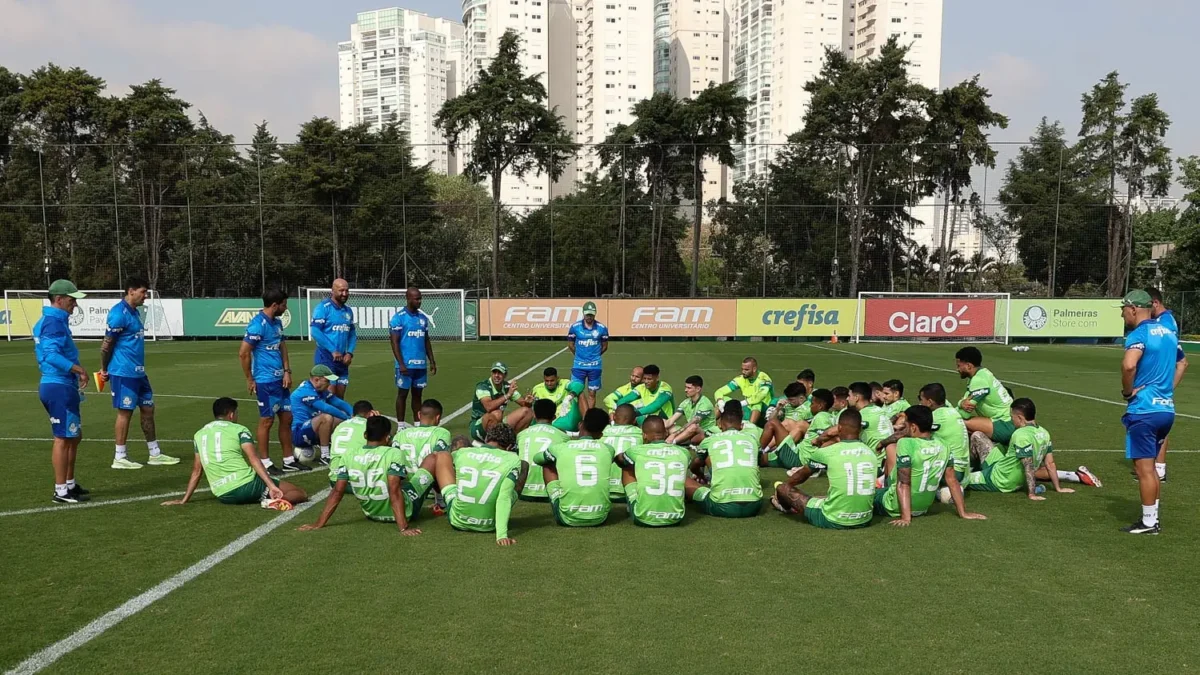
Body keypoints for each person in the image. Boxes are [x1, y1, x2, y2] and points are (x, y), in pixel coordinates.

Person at [162, 397, 307, 508]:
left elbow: (197, 470)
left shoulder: (199, 434)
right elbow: (254, 459)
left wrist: (184, 499)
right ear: (231, 415)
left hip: (223, 494)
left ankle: (268, 498)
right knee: (299, 493)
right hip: (246, 486)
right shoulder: (239, 429)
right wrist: (271, 485)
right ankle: (271, 501)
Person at [299, 415, 433, 534]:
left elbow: (337, 492)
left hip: (372, 513)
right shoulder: (394, 454)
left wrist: (319, 523)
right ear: (387, 437)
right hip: (405, 512)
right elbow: (395, 491)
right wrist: (403, 527)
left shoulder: (349, 455)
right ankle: (441, 504)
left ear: (365, 435)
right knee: (433, 461)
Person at [99, 277, 177, 470]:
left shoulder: (133, 312)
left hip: (139, 372)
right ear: (131, 291)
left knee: (148, 409)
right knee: (125, 412)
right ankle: (120, 456)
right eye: (143, 292)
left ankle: (154, 453)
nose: (146, 297)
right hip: (123, 372)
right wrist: (104, 369)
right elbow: (106, 345)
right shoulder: (118, 314)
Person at [1120, 290, 1179, 534]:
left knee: (1143, 470)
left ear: (1133, 309)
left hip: (1144, 409)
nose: (1122, 315)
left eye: (1123, 310)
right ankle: (1151, 518)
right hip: (1166, 409)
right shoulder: (1168, 332)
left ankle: (1148, 523)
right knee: (1153, 468)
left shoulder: (1140, 333)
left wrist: (1127, 391)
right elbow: (1182, 362)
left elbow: (1129, 364)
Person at [872, 405, 984, 526]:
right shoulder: (944, 445)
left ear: (913, 427)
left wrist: (906, 517)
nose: (905, 428)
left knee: (867, 494)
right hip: (923, 508)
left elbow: (904, 483)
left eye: (906, 425)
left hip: (895, 506)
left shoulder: (906, 443)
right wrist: (963, 513)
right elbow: (952, 480)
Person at [964, 398, 1096, 497]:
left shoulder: (1020, 435)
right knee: (977, 436)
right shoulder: (1044, 433)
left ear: (1020, 418)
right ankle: (975, 469)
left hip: (999, 480)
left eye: (1012, 417)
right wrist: (1058, 488)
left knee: (960, 479)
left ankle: (960, 480)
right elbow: (1050, 463)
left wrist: (1031, 494)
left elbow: (1028, 465)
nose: (1011, 421)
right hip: (999, 465)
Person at [771, 408, 879, 529]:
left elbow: (801, 476)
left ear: (839, 428)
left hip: (832, 519)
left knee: (782, 488)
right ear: (859, 429)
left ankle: (785, 506)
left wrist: (785, 487)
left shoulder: (827, 452)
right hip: (864, 519)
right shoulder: (871, 453)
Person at [35, 280, 90, 504]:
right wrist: (79, 370)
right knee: (63, 438)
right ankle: (61, 490)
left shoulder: (53, 321)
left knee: (74, 436)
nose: (74, 304)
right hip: (57, 385)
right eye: (71, 299)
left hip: (61, 385)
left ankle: (68, 484)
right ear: (59, 299)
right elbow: (51, 355)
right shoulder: (53, 323)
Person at [435, 422, 527, 546]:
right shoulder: (513, 459)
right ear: (510, 447)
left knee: (441, 455)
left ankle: (439, 501)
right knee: (524, 465)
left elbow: (445, 461)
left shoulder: (463, 453)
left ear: (487, 438)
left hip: (458, 520)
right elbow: (504, 497)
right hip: (489, 524)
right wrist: (501, 535)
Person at [239, 288, 294, 477]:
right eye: (284, 305)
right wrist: (249, 379)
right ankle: (265, 462)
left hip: (281, 380)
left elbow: (282, 346)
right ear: (274, 305)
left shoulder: (277, 323)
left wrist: (287, 371)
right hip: (265, 381)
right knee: (267, 420)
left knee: (287, 418)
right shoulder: (257, 325)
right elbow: (243, 353)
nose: (285, 308)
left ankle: (289, 460)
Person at [534, 409, 615, 527]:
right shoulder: (608, 449)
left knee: (548, 463)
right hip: (600, 516)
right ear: (600, 434)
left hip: (567, 517)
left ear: (580, 425)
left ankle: (558, 498)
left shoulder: (561, 448)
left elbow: (537, 459)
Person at [614, 417, 690, 527]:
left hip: (643, 517)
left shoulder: (636, 450)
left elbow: (620, 460)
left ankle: (632, 502)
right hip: (676, 517)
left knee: (627, 467)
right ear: (666, 433)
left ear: (644, 435)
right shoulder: (683, 452)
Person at [688, 407, 763, 517]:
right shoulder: (752, 440)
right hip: (754, 505)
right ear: (741, 426)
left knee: (684, 480)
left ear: (719, 424)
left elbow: (694, 465)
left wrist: (700, 475)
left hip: (721, 506)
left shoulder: (710, 440)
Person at [1145, 287, 1186, 482]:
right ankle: (1155, 467)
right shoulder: (1162, 322)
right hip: (1158, 383)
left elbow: (1181, 361)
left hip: (1158, 384)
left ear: (1155, 303)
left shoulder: (1166, 324)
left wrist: (1167, 388)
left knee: (1158, 424)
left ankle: (1159, 469)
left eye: (1146, 305)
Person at [288, 365, 353, 470]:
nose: (329, 384)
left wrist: (353, 413)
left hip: (311, 428)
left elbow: (338, 402)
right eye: (327, 381)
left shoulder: (320, 390)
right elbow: (326, 408)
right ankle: (325, 455)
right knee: (326, 418)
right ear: (317, 379)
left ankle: (335, 445)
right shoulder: (305, 391)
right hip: (299, 433)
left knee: (338, 415)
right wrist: (348, 418)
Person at [389, 287, 436, 427]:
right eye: (416, 298)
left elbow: (426, 340)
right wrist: (401, 364)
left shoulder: (422, 318)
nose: (419, 301)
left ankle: (417, 424)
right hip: (405, 365)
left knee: (417, 396)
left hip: (420, 365)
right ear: (408, 298)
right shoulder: (399, 318)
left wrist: (432, 360)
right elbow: (394, 342)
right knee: (402, 394)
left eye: (420, 298)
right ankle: (401, 426)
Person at [954, 346, 1016, 446]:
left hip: (1004, 424)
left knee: (957, 421)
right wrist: (961, 403)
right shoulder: (983, 374)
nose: (957, 369)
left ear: (969, 366)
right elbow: (965, 401)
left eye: (959, 366)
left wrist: (951, 413)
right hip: (1007, 420)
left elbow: (965, 413)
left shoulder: (978, 380)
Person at [763, 388, 835, 471]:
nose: (810, 406)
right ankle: (762, 452)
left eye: (812, 403)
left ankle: (762, 448)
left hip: (798, 458)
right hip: (797, 453)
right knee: (761, 459)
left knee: (773, 423)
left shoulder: (821, 417)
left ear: (820, 406)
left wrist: (813, 465)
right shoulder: (829, 416)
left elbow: (827, 440)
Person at [310, 278, 356, 399]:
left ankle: (340, 418)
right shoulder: (323, 308)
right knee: (329, 396)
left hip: (342, 360)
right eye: (341, 290)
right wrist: (332, 350)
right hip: (326, 358)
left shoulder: (348, 311)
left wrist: (350, 353)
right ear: (333, 290)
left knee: (340, 397)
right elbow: (315, 331)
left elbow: (352, 333)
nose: (345, 294)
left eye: (347, 290)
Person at [515, 399, 569, 501]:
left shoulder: (522, 434)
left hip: (522, 490)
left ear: (534, 415)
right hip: (551, 492)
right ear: (554, 417)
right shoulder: (563, 436)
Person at [469, 362, 534, 444]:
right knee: (497, 414)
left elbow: (524, 404)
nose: (496, 375)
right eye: (494, 372)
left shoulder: (507, 387)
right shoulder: (483, 386)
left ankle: (511, 443)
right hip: (478, 425)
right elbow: (488, 407)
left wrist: (528, 402)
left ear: (505, 375)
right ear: (491, 373)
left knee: (527, 412)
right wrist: (508, 395)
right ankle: (493, 444)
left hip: (497, 425)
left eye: (500, 373)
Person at [917, 383, 970, 481]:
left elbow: (916, 434)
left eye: (921, 399)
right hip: (962, 471)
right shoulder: (952, 411)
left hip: (952, 471)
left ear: (929, 402)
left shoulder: (937, 416)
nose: (920, 403)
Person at [393, 399, 452, 474]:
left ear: (419, 414)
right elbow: (439, 459)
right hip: (428, 482)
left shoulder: (400, 435)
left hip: (405, 482)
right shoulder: (442, 433)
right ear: (438, 417)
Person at [567, 301, 609, 406]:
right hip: (578, 365)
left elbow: (605, 346)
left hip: (595, 366)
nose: (589, 316)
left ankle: (589, 419)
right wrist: (579, 356)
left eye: (591, 314)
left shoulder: (602, 328)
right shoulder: (575, 327)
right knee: (576, 392)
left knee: (592, 393)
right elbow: (571, 345)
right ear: (583, 313)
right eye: (587, 314)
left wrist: (594, 356)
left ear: (595, 313)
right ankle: (577, 417)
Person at [329, 400, 376, 488]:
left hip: (334, 479)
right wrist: (378, 421)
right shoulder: (369, 426)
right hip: (356, 481)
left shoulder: (341, 425)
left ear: (353, 415)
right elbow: (386, 443)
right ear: (370, 413)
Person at [601, 404, 643, 502]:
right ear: (634, 420)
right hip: (629, 492)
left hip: (603, 491)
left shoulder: (601, 432)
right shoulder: (641, 434)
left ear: (614, 417)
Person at [714, 357, 774, 424]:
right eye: (742, 369)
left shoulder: (763, 378)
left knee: (756, 403)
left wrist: (741, 403)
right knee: (724, 400)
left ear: (754, 369)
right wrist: (720, 401)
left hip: (765, 410)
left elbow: (760, 396)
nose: (743, 372)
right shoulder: (740, 379)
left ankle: (750, 428)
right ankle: (712, 425)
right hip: (748, 408)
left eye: (746, 370)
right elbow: (719, 391)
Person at [665, 375, 718, 446]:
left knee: (693, 426)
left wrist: (674, 434)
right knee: (664, 422)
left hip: (705, 434)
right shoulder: (686, 402)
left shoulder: (705, 404)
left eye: (689, 388)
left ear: (698, 389)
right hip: (690, 432)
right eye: (685, 387)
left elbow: (693, 422)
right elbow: (671, 420)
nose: (685, 390)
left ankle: (670, 443)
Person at [532, 367, 587, 432]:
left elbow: (579, 385)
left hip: (565, 416)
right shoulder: (537, 389)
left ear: (557, 378)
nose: (549, 384)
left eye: (552, 381)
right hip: (548, 419)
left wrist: (569, 396)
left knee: (580, 392)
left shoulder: (564, 383)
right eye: (547, 381)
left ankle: (586, 423)